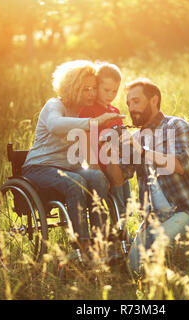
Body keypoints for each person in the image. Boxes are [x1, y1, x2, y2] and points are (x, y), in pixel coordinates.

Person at [108, 78, 189, 276]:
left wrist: (142, 150)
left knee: (155, 252)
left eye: (136, 101)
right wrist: (110, 150)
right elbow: (118, 179)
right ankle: (178, 262)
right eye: (129, 103)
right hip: (154, 219)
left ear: (154, 100)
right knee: (135, 270)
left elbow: (180, 165)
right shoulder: (136, 138)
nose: (131, 108)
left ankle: (181, 267)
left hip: (188, 212)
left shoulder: (176, 126)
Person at [21, 60, 124, 256]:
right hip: (40, 167)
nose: (92, 94)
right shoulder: (54, 105)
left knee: (96, 177)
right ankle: (83, 248)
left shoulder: (84, 111)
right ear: (72, 88)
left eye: (94, 88)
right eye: (86, 89)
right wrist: (93, 122)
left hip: (68, 168)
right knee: (75, 181)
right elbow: (54, 125)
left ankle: (100, 241)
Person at [78, 62, 131, 219]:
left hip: (119, 165)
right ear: (97, 86)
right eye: (106, 90)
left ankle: (122, 231)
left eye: (114, 91)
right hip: (103, 166)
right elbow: (87, 142)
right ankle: (116, 234)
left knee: (125, 205)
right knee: (115, 203)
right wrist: (97, 171)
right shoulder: (89, 110)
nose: (110, 95)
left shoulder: (115, 111)